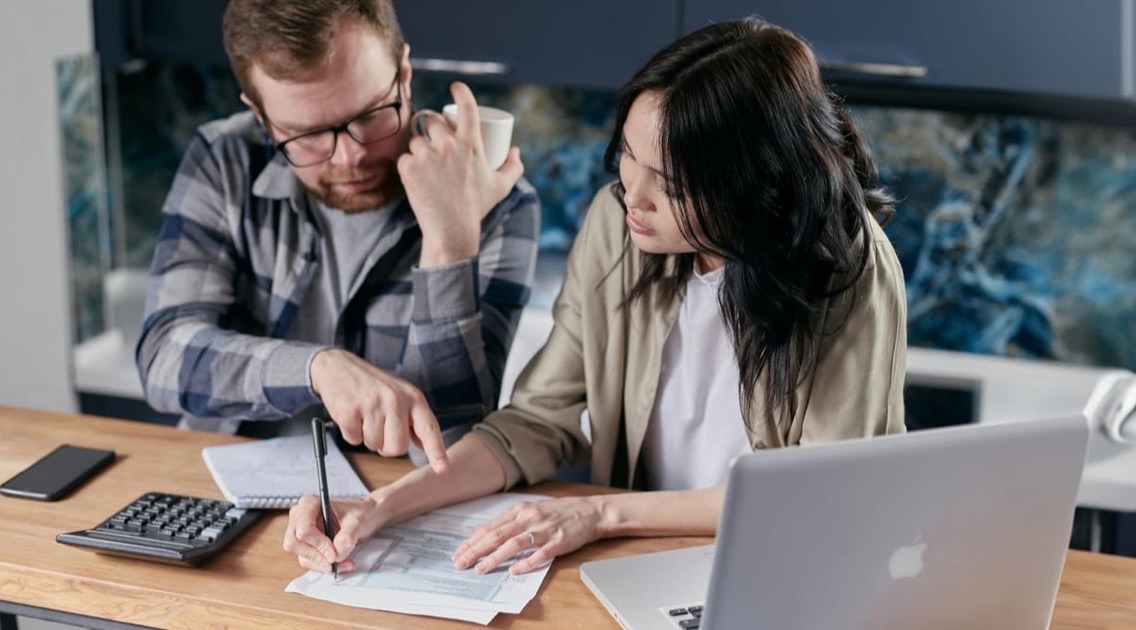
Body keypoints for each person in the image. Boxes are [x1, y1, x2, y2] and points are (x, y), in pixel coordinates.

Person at [284, 16, 907, 576]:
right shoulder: (618, 224)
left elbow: (819, 495)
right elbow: (533, 422)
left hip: (779, 568)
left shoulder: (850, 268)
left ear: (753, 186)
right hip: (638, 563)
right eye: (629, 158)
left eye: (669, 185)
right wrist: (380, 506)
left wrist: (601, 515)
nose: (631, 196)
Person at [136, 0, 540, 470]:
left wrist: (449, 244)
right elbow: (164, 358)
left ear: (404, 74)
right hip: (228, 482)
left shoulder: (497, 200)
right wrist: (318, 369)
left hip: (395, 504)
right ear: (261, 115)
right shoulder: (224, 160)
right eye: (306, 135)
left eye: (370, 115)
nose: (349, 157)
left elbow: (451, 450)